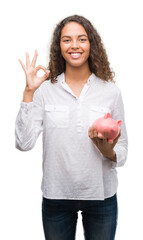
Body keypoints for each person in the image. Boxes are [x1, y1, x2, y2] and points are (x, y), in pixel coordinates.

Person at [15, 15, 128, 240]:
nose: (74, 45)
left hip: (102, 196)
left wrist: (109, 152)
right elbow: (23, 143)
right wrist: (29, 92)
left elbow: (123, 149)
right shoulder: (44, 90)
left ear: (91, 45)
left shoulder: (110, 91)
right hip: (56, 195)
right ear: (59, 46)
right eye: (67, 40)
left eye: (81, 39)